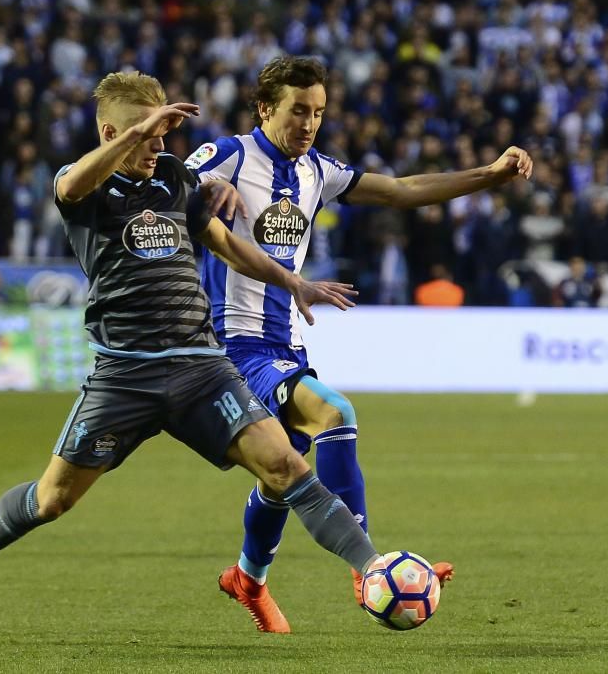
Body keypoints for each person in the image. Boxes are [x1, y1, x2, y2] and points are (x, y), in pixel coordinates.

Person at [0, 71, 395, 630]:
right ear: (113, 131)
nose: (160, 148)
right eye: (148, 135)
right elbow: (69, 189)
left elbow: (226, 245)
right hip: (125, 376)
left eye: (164, 136)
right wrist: (131, 135)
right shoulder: (80, 183)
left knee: (286, 465)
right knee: (52, 500)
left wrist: (293, 283)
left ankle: (372, 568)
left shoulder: (170, 176)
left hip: (200, 368)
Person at [187, 55, 533, 632]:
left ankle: (248, 578)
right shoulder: (227, 154)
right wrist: (205, 187)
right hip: (233, 345)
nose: (310, 124)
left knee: (282, 473)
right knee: (337, 414)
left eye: (318, 113)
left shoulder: (316, 172)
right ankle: (368, 565)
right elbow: (170, 178)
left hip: (287, 345)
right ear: (266, 108)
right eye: (299, 111)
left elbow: (400, 190)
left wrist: (488, 176)